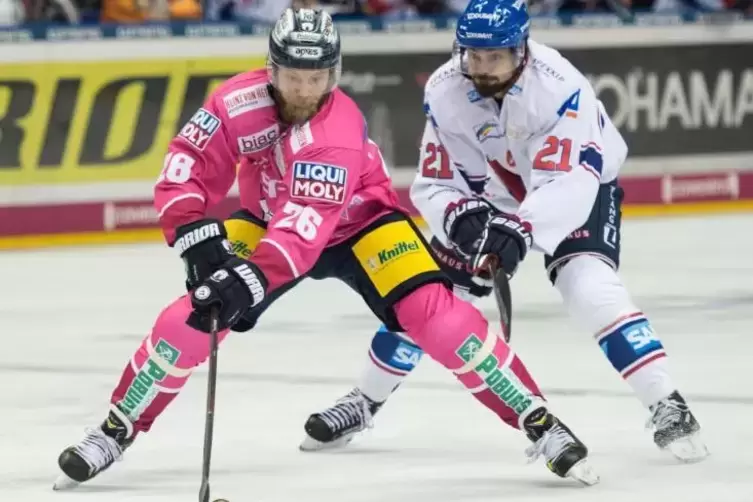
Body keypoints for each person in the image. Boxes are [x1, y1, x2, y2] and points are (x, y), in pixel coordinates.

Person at [53, 7, 599, 491]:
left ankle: (538, 422)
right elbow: (185, 166)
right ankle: (115, 429)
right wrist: (192, 229)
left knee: (437, 317)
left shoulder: (338, 128)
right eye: (293, 75)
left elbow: (306, 228)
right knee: (195, 314)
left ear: (334, 74)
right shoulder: (233, 102)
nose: (305, 89)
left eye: (317, 77)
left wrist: (246, 276)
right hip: (268, 222)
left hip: (361, 224)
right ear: (271, 69)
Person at [301, 0, 709, 464]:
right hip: (497, 198)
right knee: (425, 295)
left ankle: (667, 401)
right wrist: (460, 214)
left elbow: (570, 181)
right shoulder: (445, 89)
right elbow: (435, 180)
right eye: (473, 55)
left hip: (577, 189)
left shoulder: (559, 87)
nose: (481, 66)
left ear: (521, 50)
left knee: (588, 287)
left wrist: (520, 230)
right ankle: (364, 399)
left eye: (493, 56)